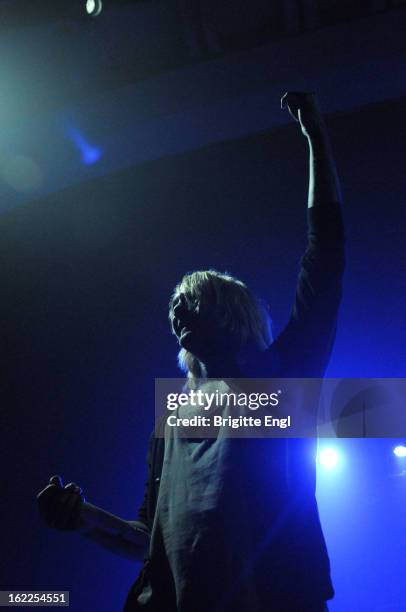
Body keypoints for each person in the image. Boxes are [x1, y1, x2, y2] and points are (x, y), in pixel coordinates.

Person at [37, 91, 345, 611]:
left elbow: (326, 257)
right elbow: (148, 536)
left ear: (231, 312)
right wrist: (83, 517)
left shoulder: (280, 381)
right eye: (174, 304)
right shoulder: (172, 415)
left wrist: (316, 137)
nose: (177, 311)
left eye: (191, 300)